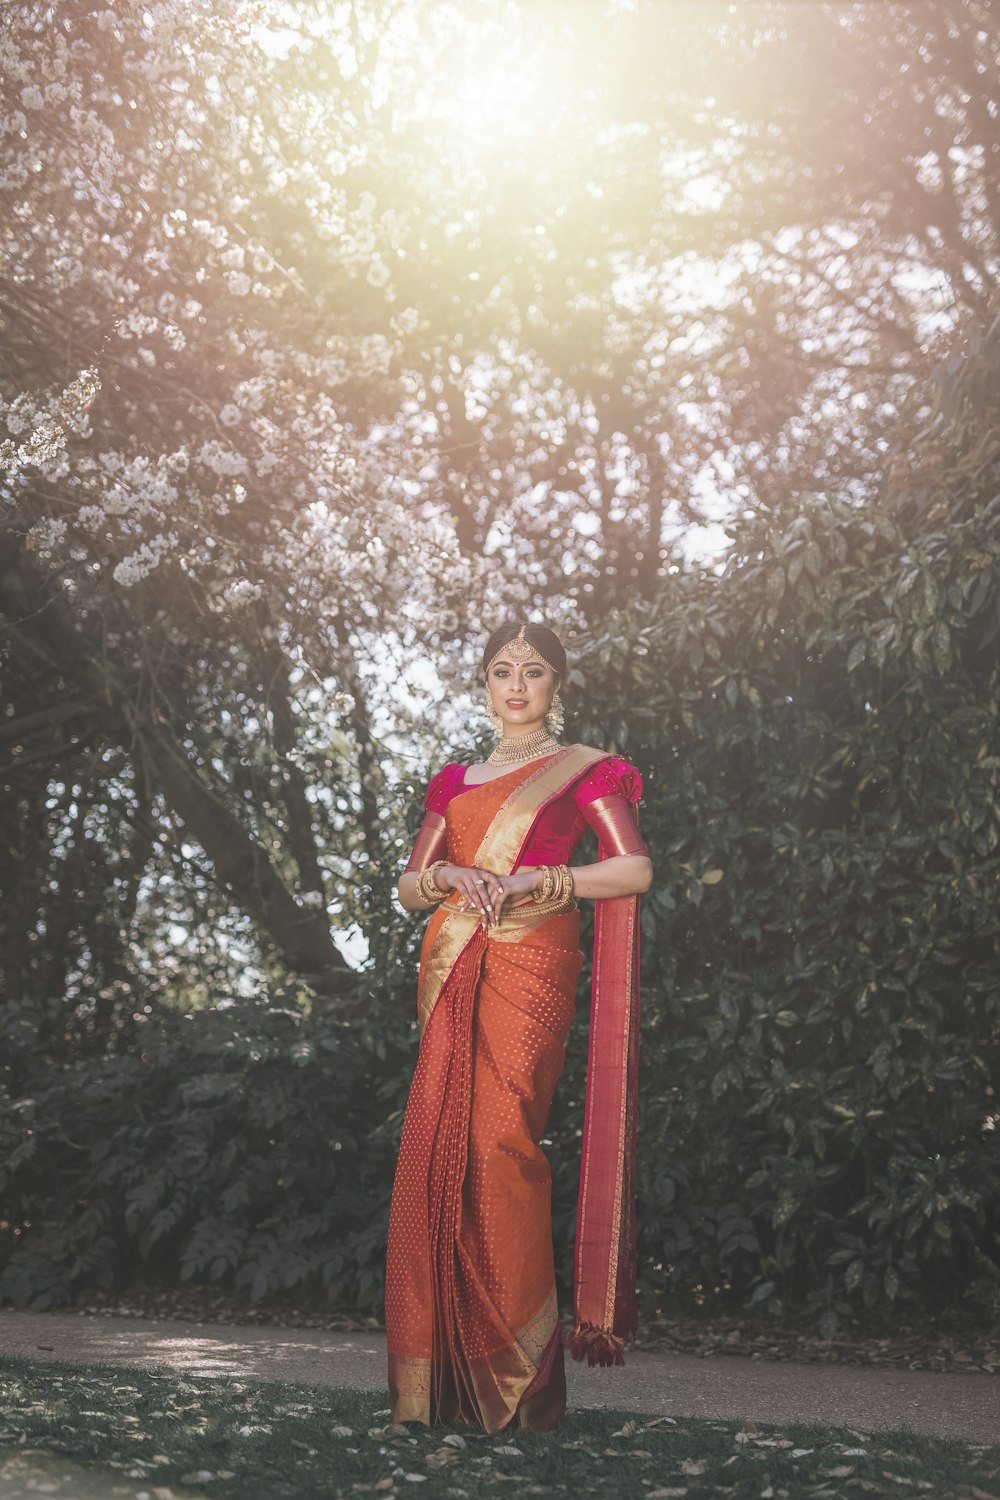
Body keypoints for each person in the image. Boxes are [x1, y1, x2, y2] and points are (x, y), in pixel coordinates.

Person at [384, 620, 652, 1434]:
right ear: (485, 683)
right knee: (441, 1152)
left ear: (556, 686)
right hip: (457, 957)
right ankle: (443, 1381)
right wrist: (450, 873)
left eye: (533, 672)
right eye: (501, 670)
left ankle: (520, 1383)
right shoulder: (454, 781)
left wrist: (549, 878)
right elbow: (408, 887)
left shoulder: (584, 772)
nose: (516, 685)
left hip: (534, 960)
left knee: (502, 1144)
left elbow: (634, 867)